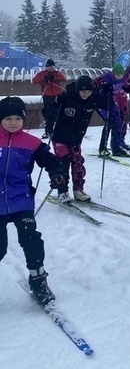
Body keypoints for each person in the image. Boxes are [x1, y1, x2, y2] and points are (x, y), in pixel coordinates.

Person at [0, 96, 66, 305]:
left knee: (31, 239)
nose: (13, 123)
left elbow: (51, 162)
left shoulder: (32, 143)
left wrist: (56, 174)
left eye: (18, 118)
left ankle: (38, 280)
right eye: (8, 118)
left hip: (21, 199)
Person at [50, 75, 99, 203]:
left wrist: (108, 92)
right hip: (60, 138)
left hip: (76, 139)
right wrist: (55, 103)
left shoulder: (92, 99)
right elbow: (48, 111)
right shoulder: (67, 98)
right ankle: (62, 191)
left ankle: (78, 189)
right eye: (83, 91)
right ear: (77, 90)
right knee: (63, 163)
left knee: (78, 164)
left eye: (88, 91)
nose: (85, 94)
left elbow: (106, 103)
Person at [93, 64, 130, 156]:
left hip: (111, 102)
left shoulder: (124, 78)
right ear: (113, 73)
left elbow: (125, 89)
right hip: (101, 103)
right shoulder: (104, 78)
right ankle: (102, 148)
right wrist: (102, 90)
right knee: (110, 122)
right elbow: (92, 88)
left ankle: (115, 147)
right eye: (118, 75)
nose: (120, 77)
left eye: (121, 75)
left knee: (118, 122)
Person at [31, 59, 67, 139]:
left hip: (57, 95)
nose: (51, 68)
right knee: (49, 114)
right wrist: (44, 78)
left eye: (52, 66)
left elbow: (63, 78)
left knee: (58, 113)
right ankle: (48, 131)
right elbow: (34, 80)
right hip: (47, 95)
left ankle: (60, 130)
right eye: (49, 66)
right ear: (46, 67)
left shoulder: (56, 73)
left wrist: (54, 77)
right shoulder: (42, 73)